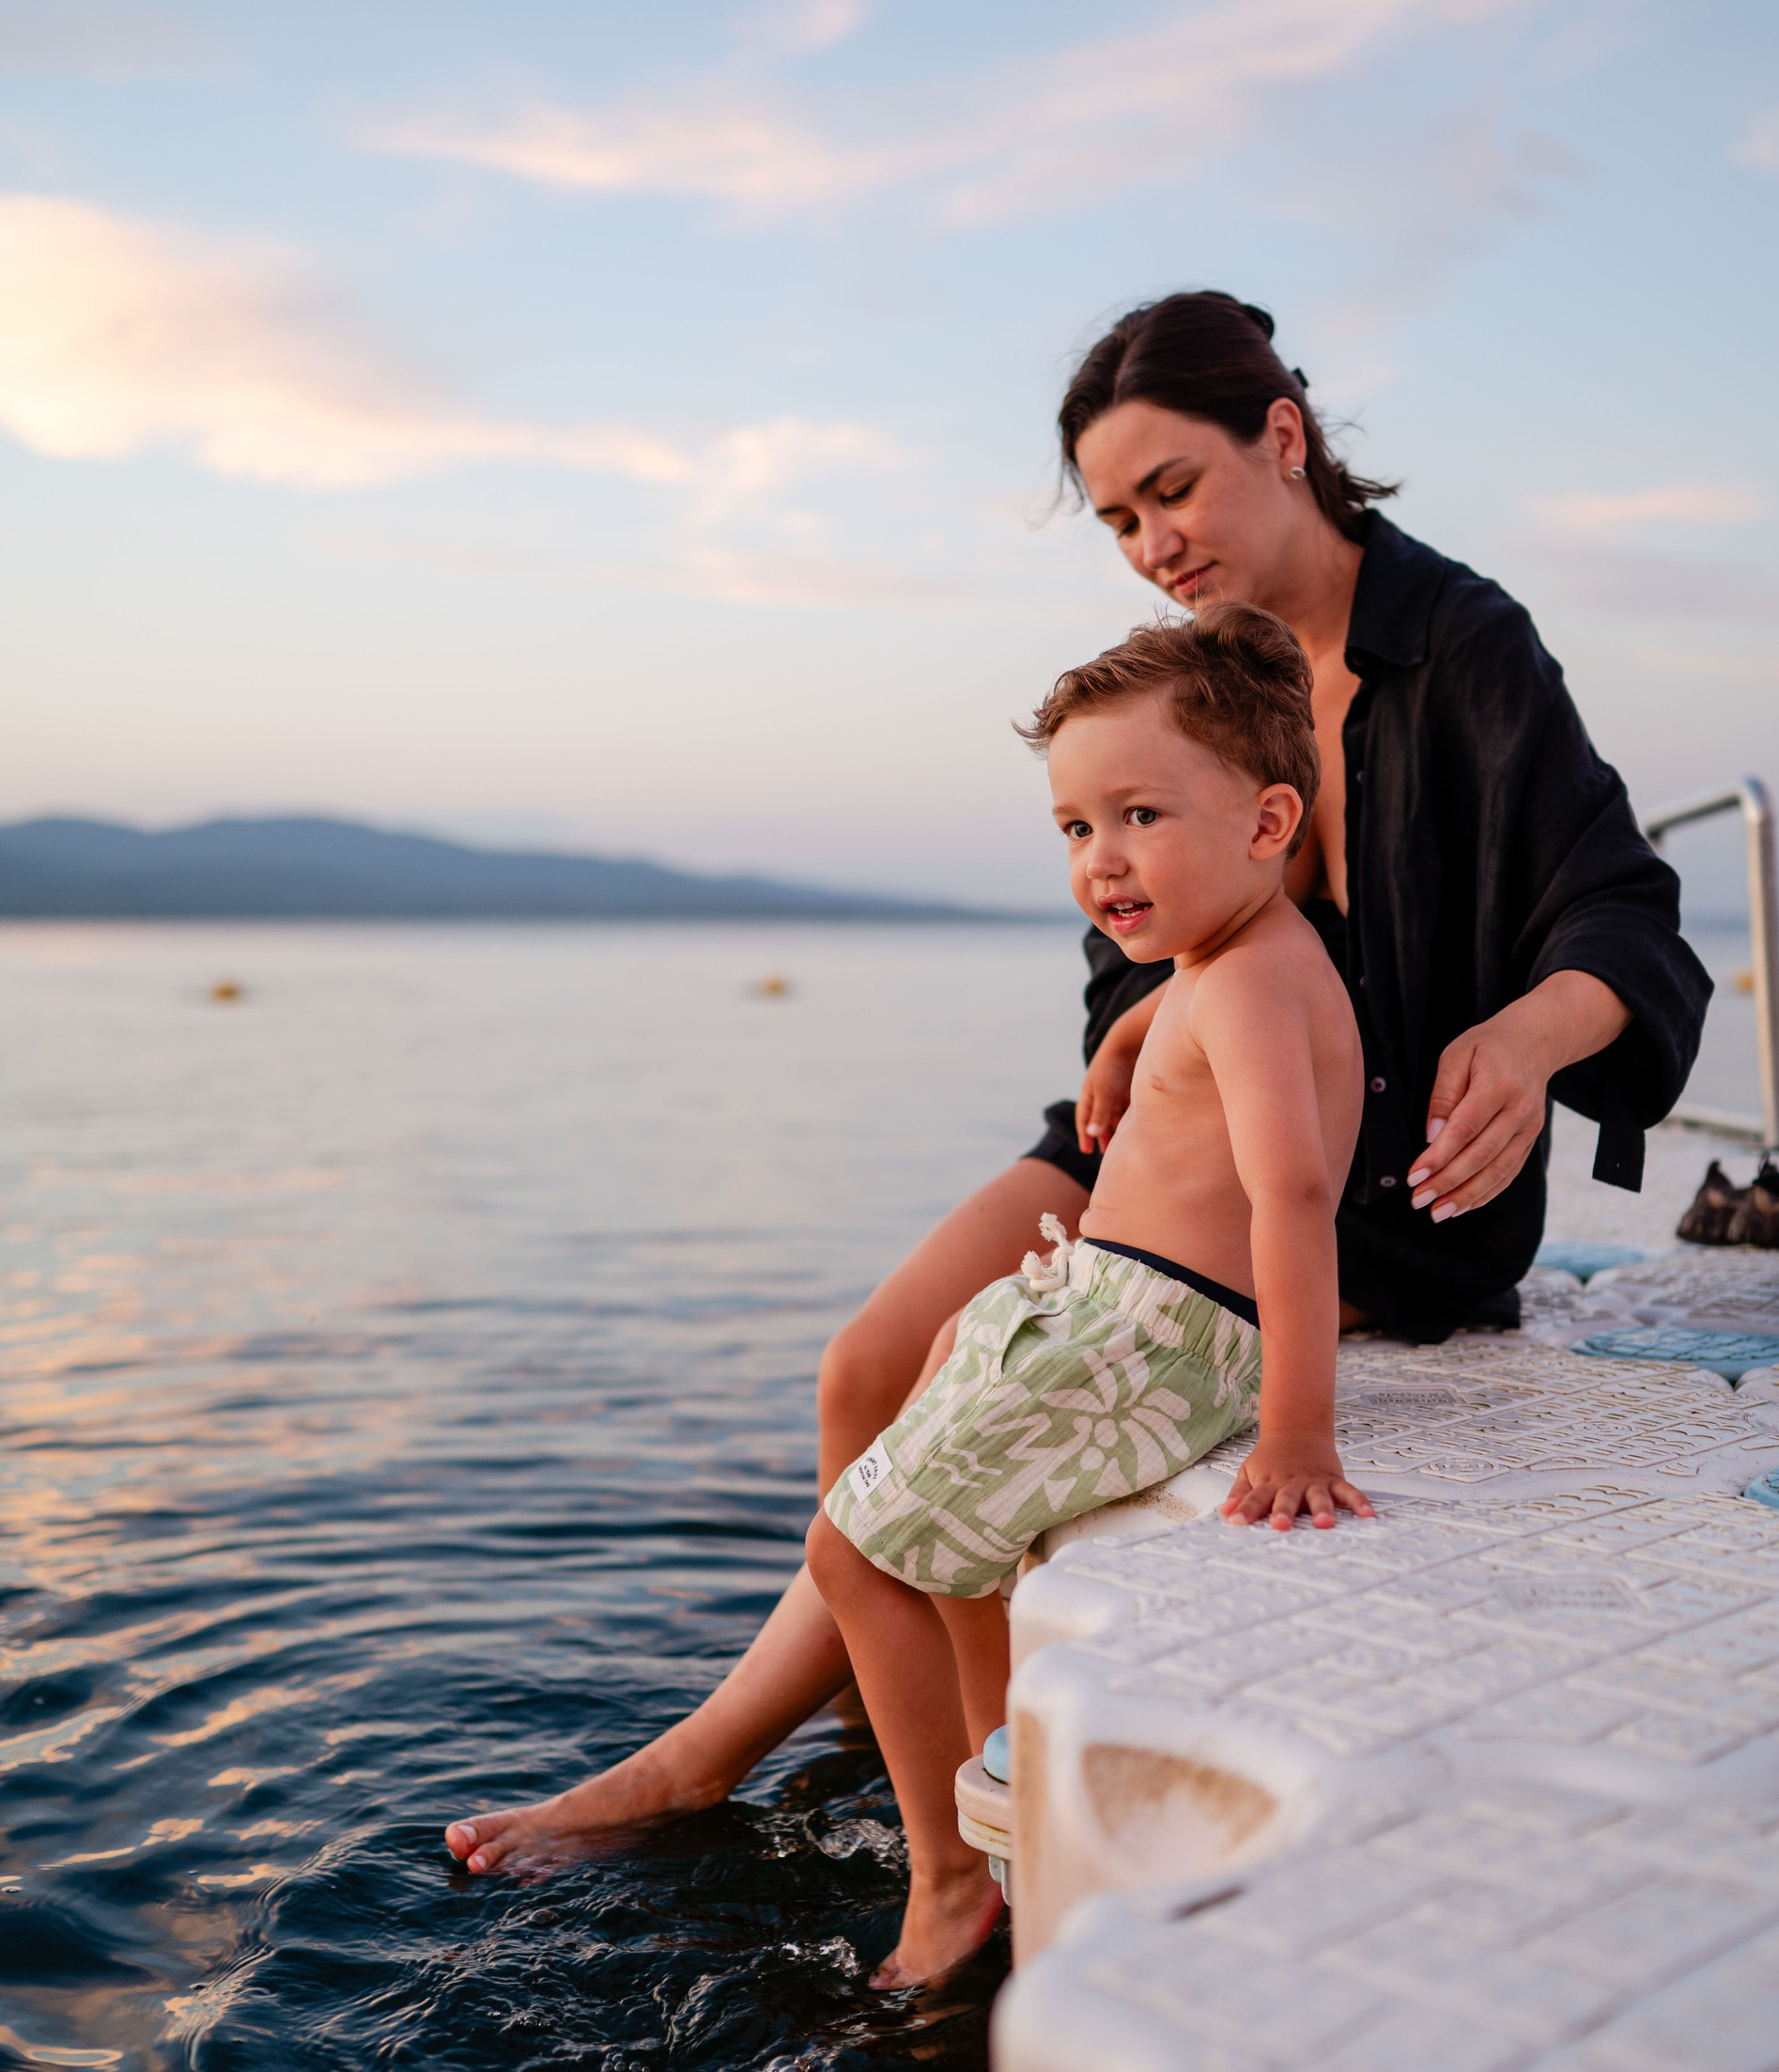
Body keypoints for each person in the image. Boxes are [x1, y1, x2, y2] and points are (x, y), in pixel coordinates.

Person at [444, 288, 1710, 1879]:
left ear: (1284, 437)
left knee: (947, 1420)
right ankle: (889, 1743)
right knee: (864, 1365)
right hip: (1165, 1145)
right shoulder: (1184, 677)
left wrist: (1530, 1038)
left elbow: (1621, 909)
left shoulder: (1461, 644)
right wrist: (1155, 1001)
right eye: (1118, 520)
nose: (1151, 544)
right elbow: (1132, 944)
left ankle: (719, 1763)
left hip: (1369, 1190)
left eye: (1173, 491)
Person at [807, 605, 1371, 1986]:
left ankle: (951, 1878)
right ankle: (1004, 1777)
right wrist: (1125, 1037)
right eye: (1074, 827)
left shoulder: (1248, 989)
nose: (1100, 858)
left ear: (1269, 820)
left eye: (1138, 816)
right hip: (1121, 1315)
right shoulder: (1234, 960)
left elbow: (1296, 1197)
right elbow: (1201, 995)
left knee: (850, 1552)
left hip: (1149, 1335)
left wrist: (1299, 1429)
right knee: (951, 1450)